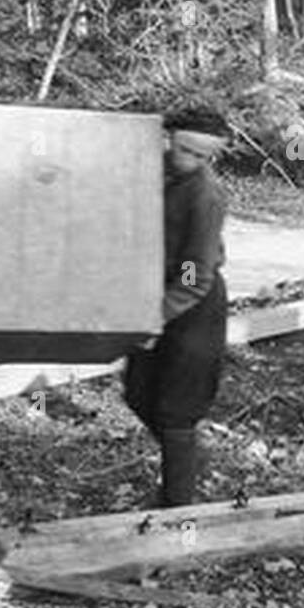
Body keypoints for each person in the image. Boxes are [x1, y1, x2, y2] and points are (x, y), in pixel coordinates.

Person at [125, 108, 230, 507]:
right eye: (188, 150)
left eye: (206, 157)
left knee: (176, 413)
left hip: (194, 306)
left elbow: (195, 273)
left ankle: (177, 509)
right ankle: (180, 459)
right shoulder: (149, 171)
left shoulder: (205, 194)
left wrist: (158, 316)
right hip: (155, 295)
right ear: (167, 139)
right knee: (137, 394)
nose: (195, 162)